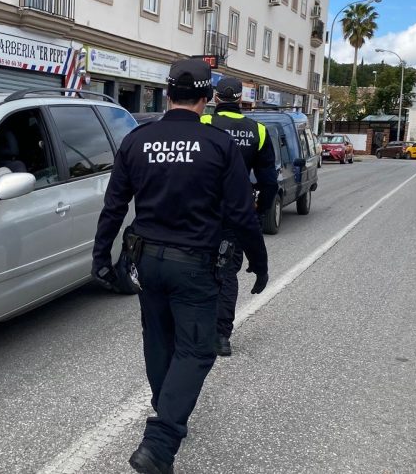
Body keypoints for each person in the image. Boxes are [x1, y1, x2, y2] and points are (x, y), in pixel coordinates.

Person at [91, 59, 269, 474]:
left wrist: (101, 258)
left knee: (158, 341)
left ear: (166, 94)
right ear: (206, 100)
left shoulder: (137, 140)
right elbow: (242, 214)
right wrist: (258, 262)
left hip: (147, 262)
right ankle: (161, 439)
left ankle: (166, 407)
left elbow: (114, 206)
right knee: (196, 349)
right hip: (195, 265)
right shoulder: (219, 144)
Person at [200, 76, 278, 357]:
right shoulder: (258, 130)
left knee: (198, 268)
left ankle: (195, 329)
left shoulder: (204, 124)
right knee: (227, 272)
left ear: (216, 99)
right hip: (237, 213)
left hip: (203, 211)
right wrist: (262, 211)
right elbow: (269, 181)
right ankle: (221, 336)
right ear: (242, 99)